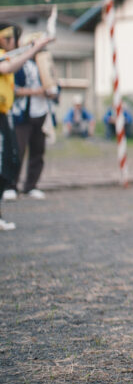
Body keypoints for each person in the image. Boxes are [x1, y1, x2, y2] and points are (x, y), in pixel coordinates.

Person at [0, 23, 54, 230]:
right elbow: (8, 67)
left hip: (9, 114)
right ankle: (11, 187)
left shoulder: (21, 58)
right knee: (11, 157)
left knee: (12, 157)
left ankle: (27, 186)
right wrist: (34, 47)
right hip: (15, 114)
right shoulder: (7, 59)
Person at [11, 51, 58, 200]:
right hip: (23, 114)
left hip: (42, 112)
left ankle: (31, 185)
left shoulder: (47, 64)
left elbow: (55, 86)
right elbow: (14, 88)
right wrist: (37, 91)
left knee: (38, 151)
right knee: (17, 150)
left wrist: (52, 92)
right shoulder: (20, 64)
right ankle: (11, 185)